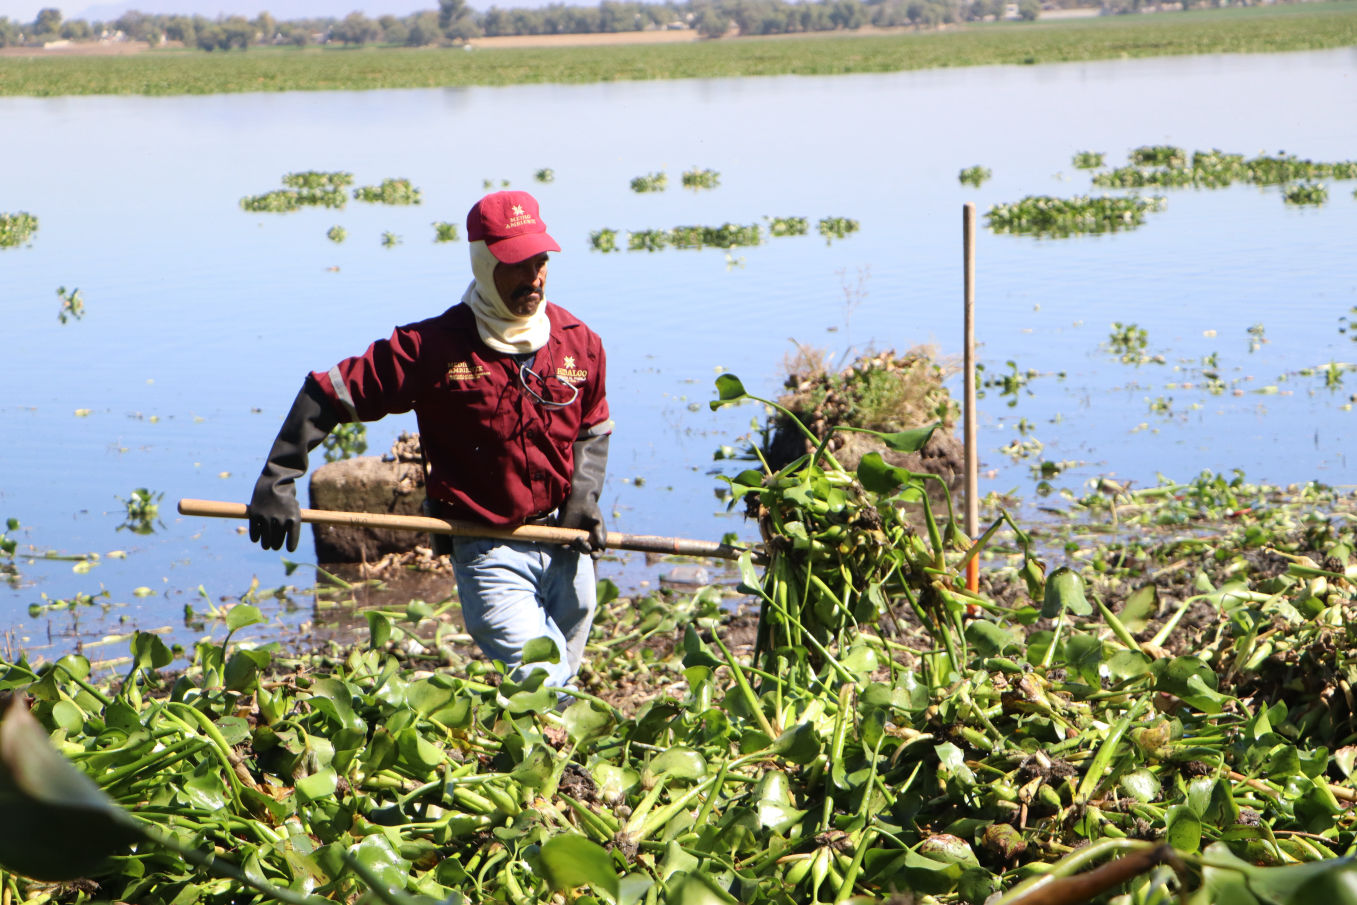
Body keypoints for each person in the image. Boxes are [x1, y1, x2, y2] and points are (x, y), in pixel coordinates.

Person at [245, 190, 610, 693]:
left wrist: (583, 500)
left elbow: (593, 426)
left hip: (567, 545)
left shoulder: (577, 341)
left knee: (560, 682)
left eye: (541, 261)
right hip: (489, 546)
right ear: (483, 262)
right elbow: (329, 392)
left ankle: (544, 763)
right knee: (542, 683)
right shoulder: (433, 349)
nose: (534, 277)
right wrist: (278, 475)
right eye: (518, 264)